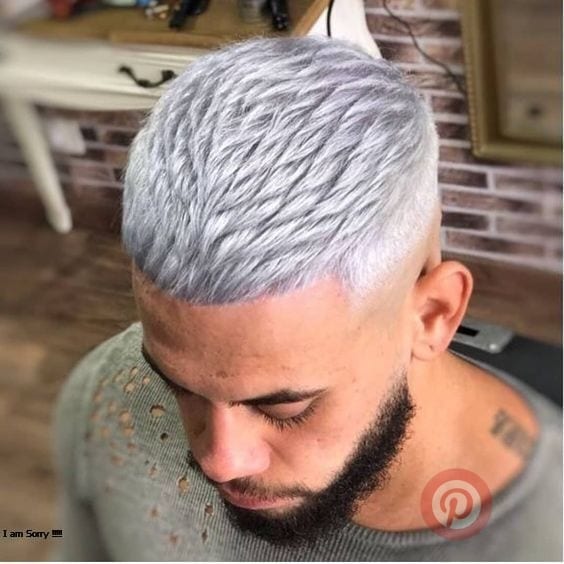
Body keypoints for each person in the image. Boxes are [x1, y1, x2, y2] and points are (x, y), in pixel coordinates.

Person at [51, 35, 562, 561]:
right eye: (178, 386)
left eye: (286, 407)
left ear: (433, 315)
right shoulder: (107, 399)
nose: (219, 461)